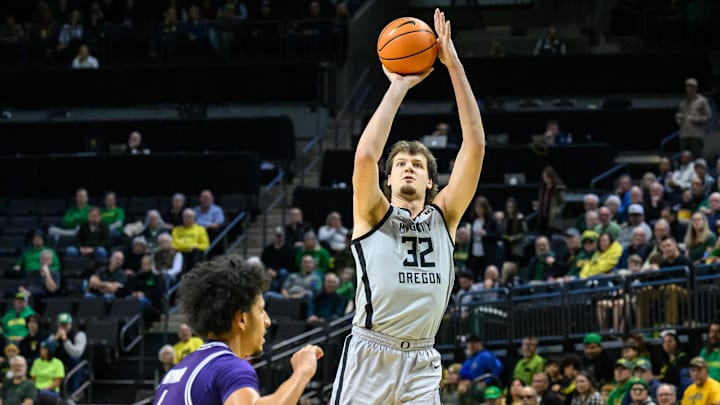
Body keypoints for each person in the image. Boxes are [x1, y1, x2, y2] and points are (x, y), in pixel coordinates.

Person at [330, 9, 486, 405]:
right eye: (401, 164)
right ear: (389, 179)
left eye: (418, 165)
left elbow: (476, 146)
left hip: (422, 357)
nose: (409, 168)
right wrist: (398, 86)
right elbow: (365, 155)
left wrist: (454, 66)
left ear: (432, 181)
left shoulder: (444, 215)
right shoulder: (371, 212)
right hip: (370, 352)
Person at [154, 254, 323, 404]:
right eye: (261, 310)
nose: (267, 321)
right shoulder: (229, 366)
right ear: (242, 319)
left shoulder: (179, 369)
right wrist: (302, 372)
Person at [676, 78, 710, 158]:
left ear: (696, 88)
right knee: (684, 158)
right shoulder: (683, 103)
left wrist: (697, 119)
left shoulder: (702, 101)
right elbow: (679, 116)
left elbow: (708, 116)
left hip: (696, 135)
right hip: (684, 135)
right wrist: (679, 120)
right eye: (688, 86)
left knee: (696, 158)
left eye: (692, 86)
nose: (689, 89)